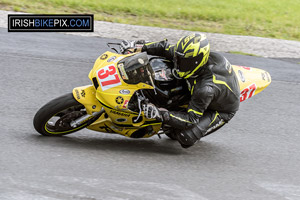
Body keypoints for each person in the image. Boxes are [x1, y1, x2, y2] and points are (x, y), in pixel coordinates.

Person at [120, 33, 240, 148]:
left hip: (220, 109)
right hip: (202, 87)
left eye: (183, 61)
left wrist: (161, 114)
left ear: (196, 61)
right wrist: (139, 47)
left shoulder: (205, 89)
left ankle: (171, 123)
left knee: (185, 137)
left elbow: (191, 120)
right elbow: (165, 48)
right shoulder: (188, 56)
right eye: (178, 58)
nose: (177, 62)